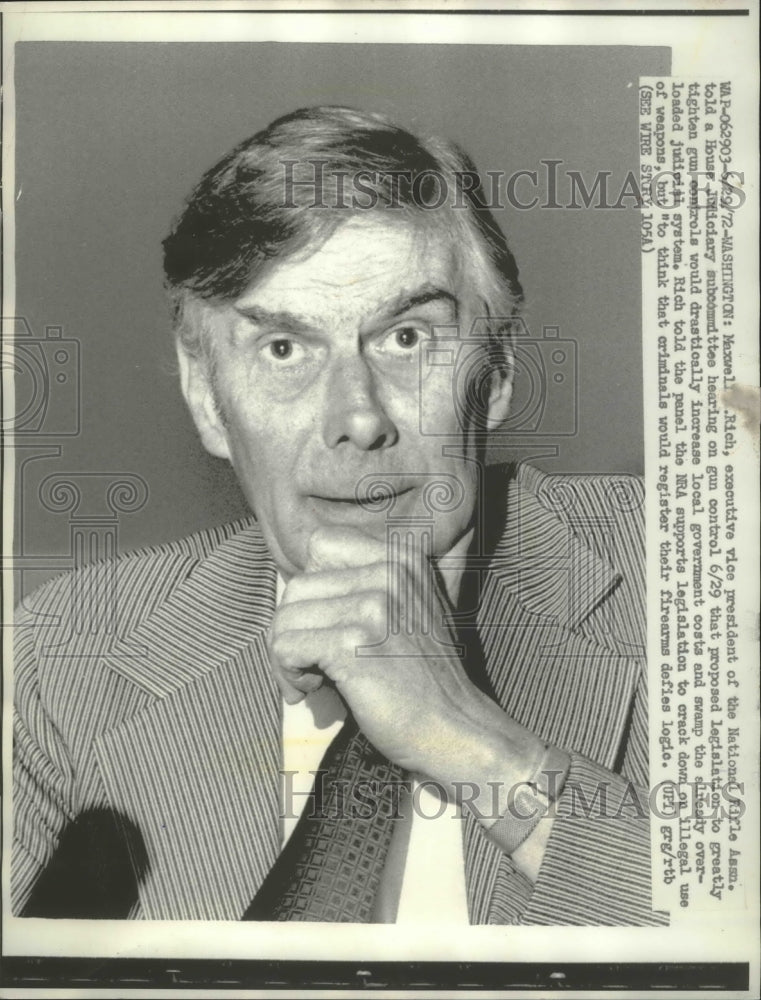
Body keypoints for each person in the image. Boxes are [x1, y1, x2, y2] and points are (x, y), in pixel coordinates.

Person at [12, 106, 664, 925]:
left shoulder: (692, 574)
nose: (356, 417)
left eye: (405, 339)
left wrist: (476, 746)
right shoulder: (62, 662)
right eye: (284, 349)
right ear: (206, 397)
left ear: (494, 371)